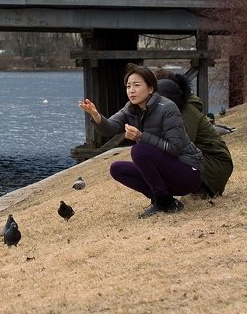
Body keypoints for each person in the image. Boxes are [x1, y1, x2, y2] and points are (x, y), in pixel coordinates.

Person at [78, 63, 205, 217]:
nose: (131, 90)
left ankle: (166, 202)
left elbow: (174, 148)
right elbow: (110, 128)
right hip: (167, 173)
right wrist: (96, 116)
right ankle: (160, 199)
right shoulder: (130, 108)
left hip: (188, 173)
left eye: (137, 85)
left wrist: (141, 136)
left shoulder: (167, 108)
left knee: (139, 150)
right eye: (128, 86)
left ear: (150, 88)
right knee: (117, 169)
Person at [155, 72, 234, 197]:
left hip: (216, 166)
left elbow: (180, 145)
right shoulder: (172, 108)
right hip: (207, 162)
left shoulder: (186, 110)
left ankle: (172, 195)